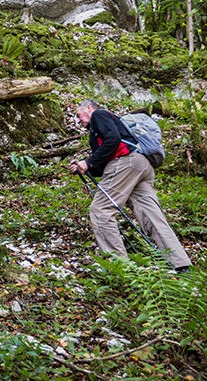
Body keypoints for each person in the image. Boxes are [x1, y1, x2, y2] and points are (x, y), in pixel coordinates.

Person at [68, 99, 191, 271]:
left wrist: (88, 161)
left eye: (78, 115)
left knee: (101, 209)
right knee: (151, 215)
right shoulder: (102, 127)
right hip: (141, 165)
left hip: (126, 163)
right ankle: (180, 264)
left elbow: (113, 140)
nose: (78, 120)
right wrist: (86, 167)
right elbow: (104, 162)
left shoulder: (99, 115)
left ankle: (120, 267)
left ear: (89, 108)